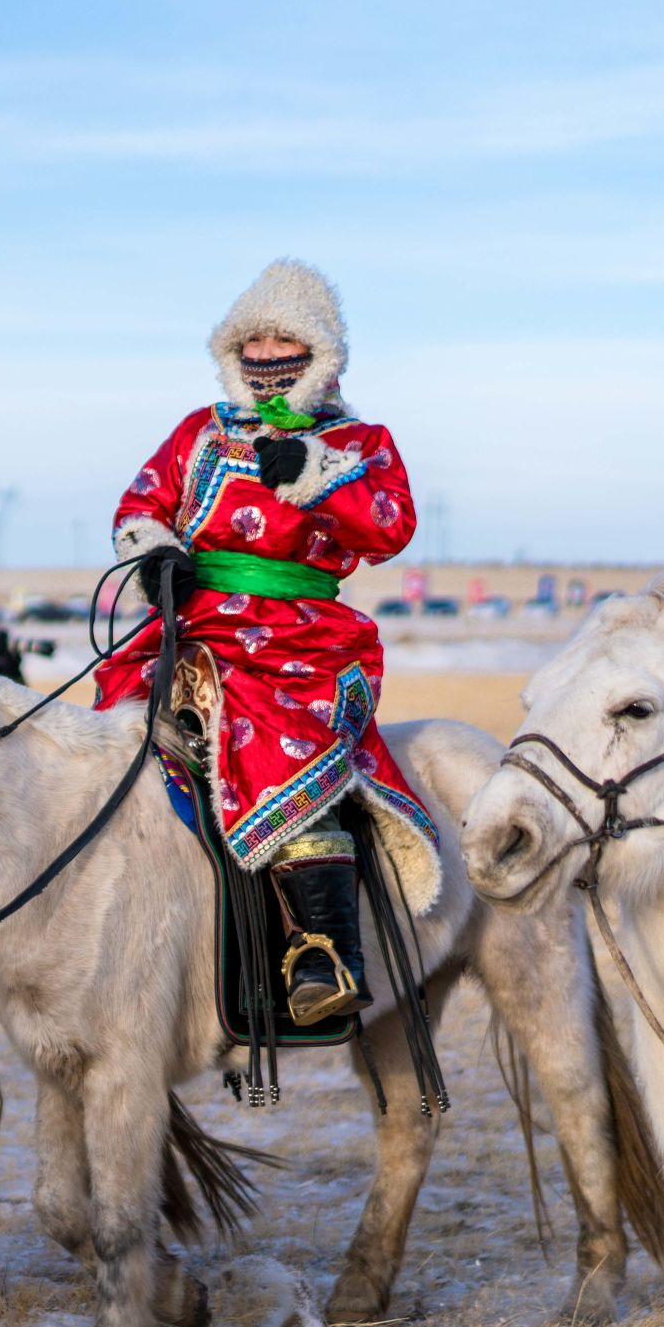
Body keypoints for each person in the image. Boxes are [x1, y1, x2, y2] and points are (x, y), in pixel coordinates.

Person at [94, 259, 438, 1026]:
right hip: (193, 622)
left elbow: (392, 526)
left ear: (321, 350)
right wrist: (156, 557)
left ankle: (321, 952)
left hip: (300, 637)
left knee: (273, 737)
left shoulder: (358, 439)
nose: (270, 348)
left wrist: (319, 477)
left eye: (288, 336)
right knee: (110, 729)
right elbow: (139, 503)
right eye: (256, 336)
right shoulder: (199, 430)